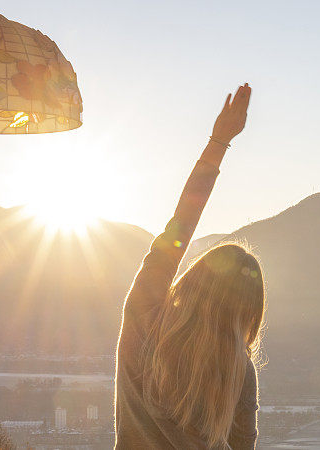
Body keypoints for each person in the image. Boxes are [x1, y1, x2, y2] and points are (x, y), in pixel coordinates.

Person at [114, 84, 264, 449]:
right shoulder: (237, 369)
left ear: (194, 280)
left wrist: (219, 142)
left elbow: (180, 225)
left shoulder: (145, 317)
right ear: (248, 310)